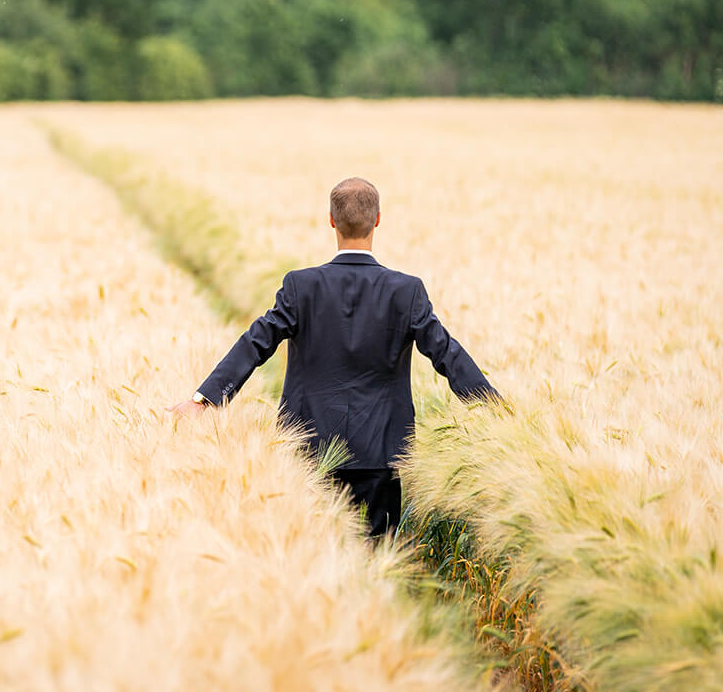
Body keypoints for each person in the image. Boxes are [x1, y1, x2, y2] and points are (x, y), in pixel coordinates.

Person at [170, 177, 500, 537]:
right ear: (377, 220)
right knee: (378, 559)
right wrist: (492, 406)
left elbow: (256, 342)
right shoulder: (406, 291)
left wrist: (204, 400)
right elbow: (445, 352)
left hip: (309, 446)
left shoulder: (301, 286)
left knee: (313, 550)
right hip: (380, 452)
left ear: (331, 220)